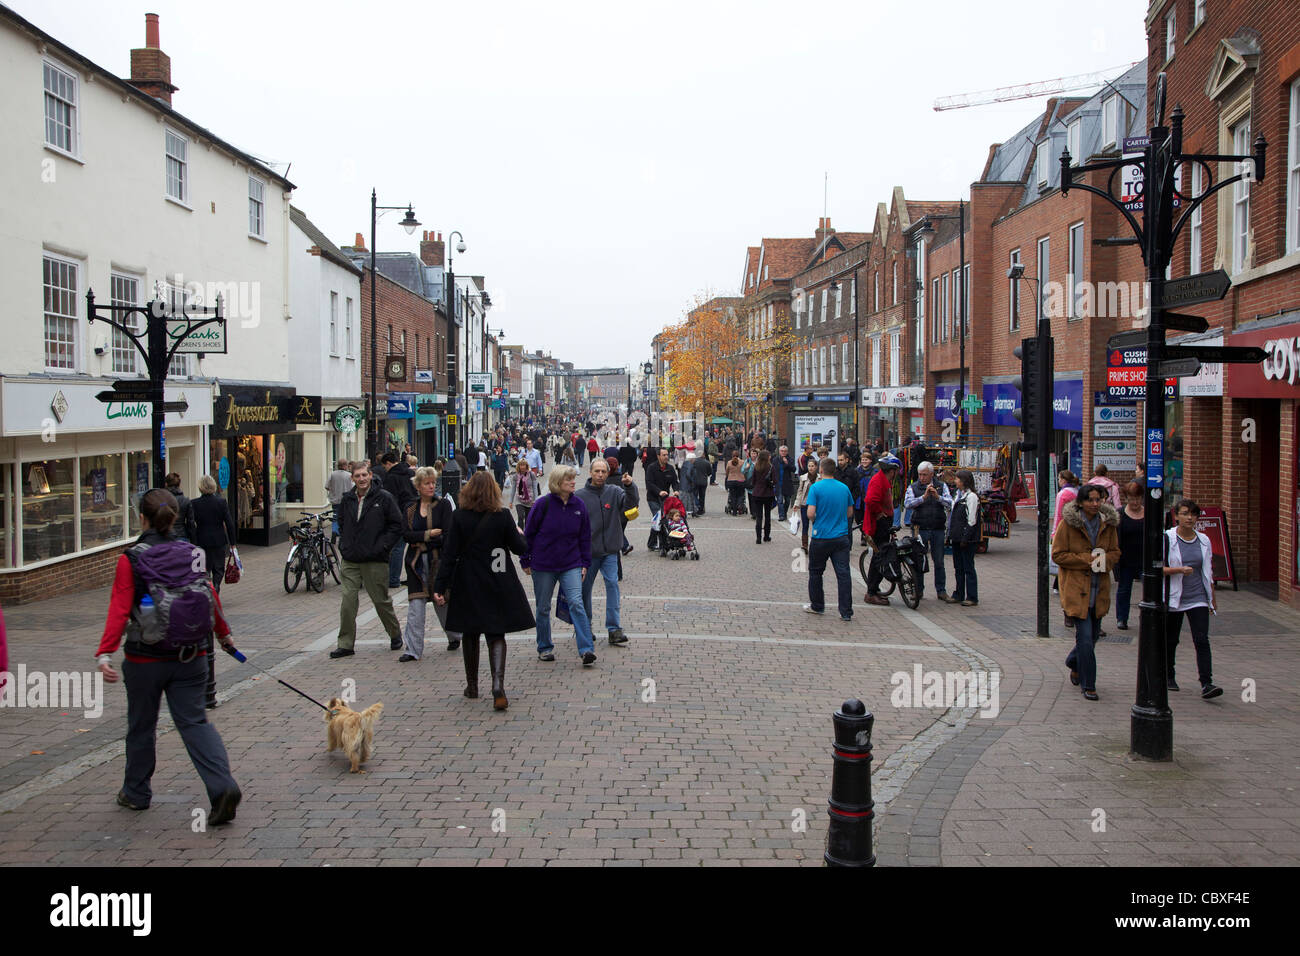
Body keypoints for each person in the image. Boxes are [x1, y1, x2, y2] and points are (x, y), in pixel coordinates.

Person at [95, 488, 241, 824]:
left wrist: (105, 652)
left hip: (145, 658)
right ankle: (222, 786)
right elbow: (207, 593)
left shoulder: (131, 558)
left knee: (142, 725)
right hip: (192, 656)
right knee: (194, 723)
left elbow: (119, 608)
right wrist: (224, 634)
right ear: (175, 517)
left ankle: (136, 792)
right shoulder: (193, 552)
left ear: (142, 518)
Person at [432, 472, 535, 710]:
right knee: (496, 633)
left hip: (468, 580)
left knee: (471, 631)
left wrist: (440, 586)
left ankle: (472, 685)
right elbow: (520, 548)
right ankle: (497, 684)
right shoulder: (503, 516)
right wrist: (520, 535)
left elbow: (449, 554)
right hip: (498, 579)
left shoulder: (458, 517)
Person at [523, 465, 599, 666]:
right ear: (558, 483)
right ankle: (545, 647)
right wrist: (525, 559)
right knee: (543, 607)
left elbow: (585, 537)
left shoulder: (579, 506)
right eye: (569, 480)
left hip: (571, 563)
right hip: (544, 564)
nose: (573, 482)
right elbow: (528, 533)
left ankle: (586, 649)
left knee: (576, 602)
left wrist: (585, 562)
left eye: (573, 479)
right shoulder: (542, 505)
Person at [1053, 483, 1121, 701]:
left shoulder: (1107, 525)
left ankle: (1074, 662)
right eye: (1090, 500)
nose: (1095, 504)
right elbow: (1058, 555)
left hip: (1098, 589)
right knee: (1084, 638)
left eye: (1098, 499)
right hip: (1076, 590)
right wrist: (1086, 560)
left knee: (1091, 639)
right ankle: (1088, 684)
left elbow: (1115, 552)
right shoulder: (1068, 525)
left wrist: (1105, 560)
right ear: (1080, 502)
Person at [331, 463, 404, 658]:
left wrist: (383, 546)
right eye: (357, 476)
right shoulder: (348, 500)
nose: (362, 479)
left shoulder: (384, 498)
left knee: (381, 601)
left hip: (374, 559)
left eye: (364, 475)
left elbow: (396, 525)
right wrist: (345, 545)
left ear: (370, 475)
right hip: (351, 558)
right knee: (348, 601)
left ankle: (395, 633)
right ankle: (345, 644)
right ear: (352, 478)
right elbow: (343, 522)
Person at [399, 466, 459, 663]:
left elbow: (447, 534)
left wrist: (430, 538)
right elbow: (406, 534)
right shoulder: (410, 508)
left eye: (433, 482)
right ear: (418, 486)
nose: (431, 486)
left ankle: (455, 636)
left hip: (437, 561)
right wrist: (428, 534)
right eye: (427, 483)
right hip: (416, 563)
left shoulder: (442, 505)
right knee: (416, 607)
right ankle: (413, 649)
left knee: (442, 602)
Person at [1163, 499, 1222, 699]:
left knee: (1201, 639)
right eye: (1185, 513)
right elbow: (1156, 569)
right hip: (1174, 597)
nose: (1190, 518)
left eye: (1193, 514)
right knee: (1171, 640)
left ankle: (1207, 683)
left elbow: (1208, 571)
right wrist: (1179, 570)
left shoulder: (1204, 540)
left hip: (1197, 597)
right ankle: (1168, 676)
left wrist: (1211, 597)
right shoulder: (1168, 538)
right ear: (1176, 515)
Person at [576, 458, 631, 647]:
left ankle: (614, 629)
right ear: (590, 472)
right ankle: (585, 626)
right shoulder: (580, 496)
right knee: (585, 591)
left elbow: (630, 506)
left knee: (612, 586)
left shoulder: (615, 492)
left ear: (608, 474)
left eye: (603, 471)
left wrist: (630, 487)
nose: (600, 474)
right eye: (597, 471)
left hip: (610, 551)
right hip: (589, 553)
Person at [804, 457, 856, 621]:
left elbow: (810, 513)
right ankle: (846, 611)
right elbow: (849, 513)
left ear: (820, 470)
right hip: (840, 537)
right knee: (843, 574)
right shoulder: (844, 488)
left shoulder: (816, 488)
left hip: (821, 536)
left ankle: (817, 605)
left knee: (816, 572)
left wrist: (817, 519)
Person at [904, 462, 953, 602]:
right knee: (919, 560)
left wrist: (938, 497)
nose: (922, 477)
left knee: (939, 561)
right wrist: (923, 498)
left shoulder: (942, 486)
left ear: (931, 474)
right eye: (920, 474)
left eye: (925, 474)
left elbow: (950, 503)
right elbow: (907, 504)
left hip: (937, 527)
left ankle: (941, 590)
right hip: (920, 527)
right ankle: (918, 590)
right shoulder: (913, 487)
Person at [862, 456, 900, 606]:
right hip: (878, 525)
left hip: (884, 523)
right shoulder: (878, 480)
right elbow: (871, 500)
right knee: (879, 557)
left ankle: (874, 588)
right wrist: (880, 513)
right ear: (892, 471)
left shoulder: (884, 480)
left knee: (881, 555)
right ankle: (871, 593)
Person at [945, 469, 981, 608]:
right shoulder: (959, 495)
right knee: (958, 567)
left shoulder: (971, 497)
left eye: (958, 479)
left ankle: (972, 596)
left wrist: (966, 537)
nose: (955, 481)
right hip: (956, 537)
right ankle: (959, 593)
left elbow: (972, 519)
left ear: (964, 481)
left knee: (968, 567)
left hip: (966, 538)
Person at [382, 452, 418, 588]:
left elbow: (390, 499)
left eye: (385, 466)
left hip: (399, 513)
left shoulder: (391, 477)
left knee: (397, 547)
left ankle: (393, 579)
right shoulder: (409, 473)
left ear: (388, 463)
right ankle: (413, 576)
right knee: (412, 545)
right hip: (413, 510)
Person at [1052, 470, 1081, 627]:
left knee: (1065, 571)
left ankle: (1068, 611)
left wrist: (1054, 533)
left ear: (1063, 479)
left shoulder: (1063, 494)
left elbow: (1058, 515)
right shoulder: (1075, 492)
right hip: (1075, 536)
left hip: (1064, 534)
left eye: (1058, 478)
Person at [1114, 480, 1144, 630]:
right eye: (1132, 499)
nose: (1135, 502)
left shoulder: (1148, 514)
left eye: (1138, 498)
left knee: (1149, 589)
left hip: (1144, 559)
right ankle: (1121, 618)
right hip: (1126, 559)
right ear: (1126, 499)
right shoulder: (1120, 514)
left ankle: (1146, 616)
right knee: (1124, 589)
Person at [644, 447, 679, 550]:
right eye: (664, 455)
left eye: (667, 455)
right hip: (653, 498)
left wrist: (676, 490)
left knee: (660, 520)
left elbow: (675, 482)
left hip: (665, 499)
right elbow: (649, 483)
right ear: (658, 456)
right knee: (659, 518)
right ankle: (661, 543)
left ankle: (652, 543)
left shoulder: (670, 468)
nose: (666, 457)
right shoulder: (651, 468)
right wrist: (659, 491)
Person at [503, 458, 542, 526]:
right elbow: (513, 489)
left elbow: (535, 488)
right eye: (521, 465)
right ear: (518, 466)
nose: (522, 467)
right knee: (520, 516)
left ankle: (526, 533)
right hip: (519, 499)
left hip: (530, 499)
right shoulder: (515, 476)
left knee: (528, 519)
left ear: (526, 466)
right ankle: (520, 534)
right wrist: (511, 501)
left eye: (524, 465)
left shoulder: (531, 474)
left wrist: (535, 500)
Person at [793, 456, 819, 552]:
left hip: (816, 504)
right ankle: (805, 545)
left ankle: (816, 543)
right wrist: (797, 503)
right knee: (805, 525)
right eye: (809, 466)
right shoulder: (803, 478)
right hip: (805, 503)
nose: (811, 468)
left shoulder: (820, 478)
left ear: (816, 467)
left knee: (816, 524)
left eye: (812, 466)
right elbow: (800, 491)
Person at [750, 450, 776, 544]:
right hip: (768, 494)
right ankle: (766, 536)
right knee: (767, 515)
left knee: (759, 516)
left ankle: (758, 537)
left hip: (757, 493)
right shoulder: (770, 467)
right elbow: (775, 481)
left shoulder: (756, 466)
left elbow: (753, 481)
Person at [163, 473, 196, 542]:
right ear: (179, 484)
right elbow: (191, 523)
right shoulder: (186, 500)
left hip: (164, 536)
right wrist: (193, 541)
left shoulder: (162, 500)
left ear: (166, 484)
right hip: (181, 536)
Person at [325, 458, 353, 540]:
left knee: (335, 516)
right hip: (346, 500)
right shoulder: (349, 475)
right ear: (345, 466)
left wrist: (334, 490)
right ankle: (343, 534)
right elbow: (353, 487)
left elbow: (327, 486)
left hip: (335, 499)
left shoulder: (333, 474)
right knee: (346, 517)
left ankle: (334, 530)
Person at [724, 452, 746, 516]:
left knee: (733, 495)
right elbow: (744, 470)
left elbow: (727, 472)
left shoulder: (729, 462)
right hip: (740, 481)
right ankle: (739, 505)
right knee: (741, 494)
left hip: (731, 481)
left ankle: (734, 511)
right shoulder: (742, 462)